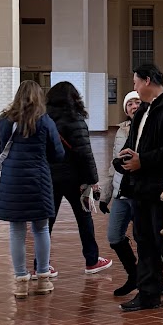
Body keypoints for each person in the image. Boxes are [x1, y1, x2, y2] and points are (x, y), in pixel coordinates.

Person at [117, 63, 163, 312]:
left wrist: (143, 160)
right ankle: (149, 292)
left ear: (148, 81)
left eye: (136, 82)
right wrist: (126, 156)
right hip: (141, 187)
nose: (134, 87)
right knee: (144, 240)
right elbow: (135, 143)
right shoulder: (143, 112)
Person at [0, 80, 65, 298]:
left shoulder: (4, 120)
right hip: (39, 180)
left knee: (16, 230)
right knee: (41, 229)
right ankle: (42, 278)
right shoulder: (45, 121)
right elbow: (58, 154)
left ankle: (21, 279)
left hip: (12, 180)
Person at [44, 82, 112, 274]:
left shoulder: (43, 119)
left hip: (50, 177)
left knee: (46, 222)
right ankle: (91, 260)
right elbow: (85, 153)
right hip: (76, 180)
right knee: (84, 219)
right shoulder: (76, 119)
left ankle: (41, 264)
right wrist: (93, 180)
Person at [100, 90, 141, 294]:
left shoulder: (148, 128)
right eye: (130, 104)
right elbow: (113, 164)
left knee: (144, 239)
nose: (133, 106)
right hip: (120, 193)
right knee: (114, 236)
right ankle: (133, 275)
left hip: (140, 193)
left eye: (137, 102)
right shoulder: (121, 130)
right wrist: (105, 195)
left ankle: (149, 281)